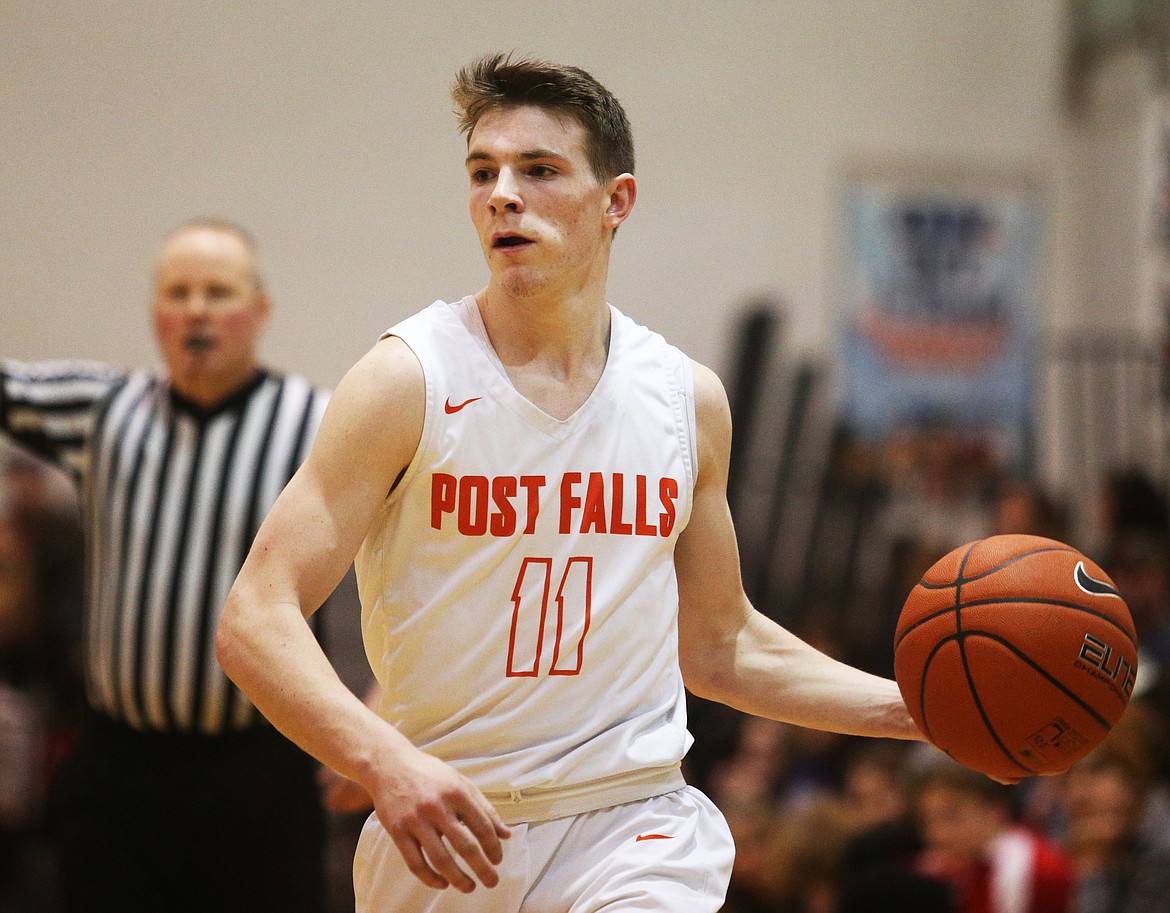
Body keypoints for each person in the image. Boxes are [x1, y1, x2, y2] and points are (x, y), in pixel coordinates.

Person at [216, 53, 922, 912]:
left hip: (634, 826)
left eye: (539, 170)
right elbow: (255, 615)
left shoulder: (683, 399)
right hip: (449, 833)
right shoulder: (408, 380)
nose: (502, 194)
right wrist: (382, 758)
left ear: (616, 200)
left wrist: (915, 709)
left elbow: (721, 643)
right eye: (483, 172)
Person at [0, 219, 339, 912]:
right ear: (156, 313)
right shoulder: (101, 409)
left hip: (259, 772)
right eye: (177, 292)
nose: (197, 309)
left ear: (261, 310)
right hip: (120, 767)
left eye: (219, 291)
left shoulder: (320, 425)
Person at [914, 752, 1074, 913]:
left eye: (951, 816)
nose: (937, 834)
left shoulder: (1026, 866)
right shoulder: (957, 867)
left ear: (995, 810)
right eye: (928, 821)